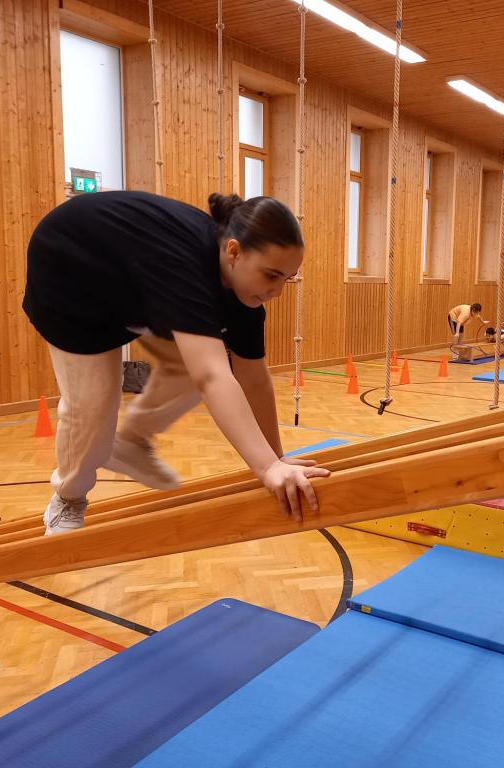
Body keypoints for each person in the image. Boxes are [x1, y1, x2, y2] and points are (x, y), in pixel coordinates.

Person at [23, 191, 330, 535]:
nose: (277, 291)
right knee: (93, 407)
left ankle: (130, 442)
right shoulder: (186, 268)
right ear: (233, 252)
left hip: (129, 288)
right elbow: (212, 377)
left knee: (196, 360)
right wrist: (266, 469)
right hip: (67, 276)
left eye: (287, 278)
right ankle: (68, 499)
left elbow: (254, 379)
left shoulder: (245, 295)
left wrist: (275, 457)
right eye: (271, 275)